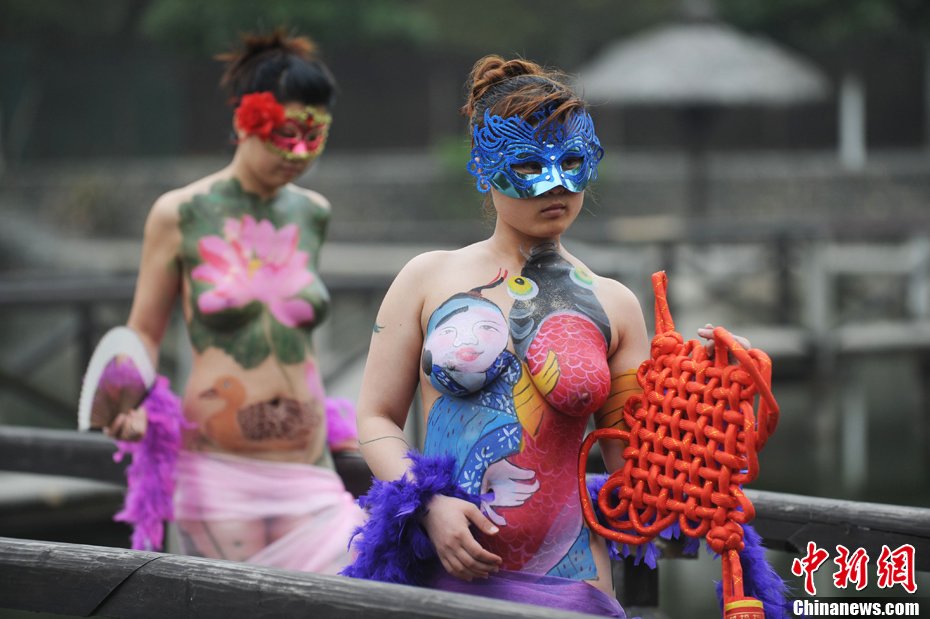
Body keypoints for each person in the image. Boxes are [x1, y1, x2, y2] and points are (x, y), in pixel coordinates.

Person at [341, 54, 654, 617]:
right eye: (528, 165)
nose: (555, 184)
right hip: (444, 576)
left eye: (573, 162)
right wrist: (427, 503)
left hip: (573, 586)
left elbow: (634, 468)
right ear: (485, 169)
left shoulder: (617, 305)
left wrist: (698, 393)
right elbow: (376, 417)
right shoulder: (426, 279)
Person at [101, 29, 363, 574]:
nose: (299, 151)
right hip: (219, 474)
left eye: (313, 135)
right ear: (245, 121)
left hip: (311, 469)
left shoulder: (312, 213)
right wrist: (127, 399)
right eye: (285, 133)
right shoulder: (180, 213)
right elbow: (144, 330)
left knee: (352, 592)